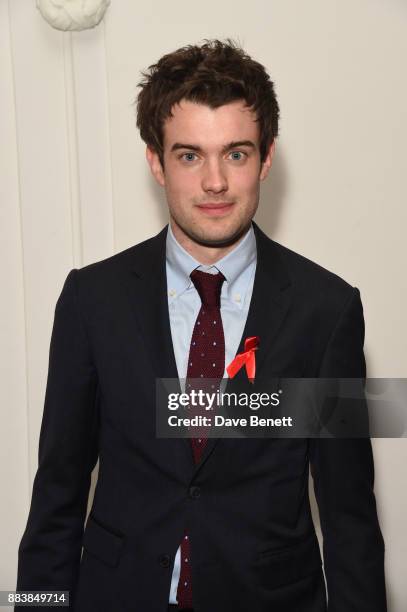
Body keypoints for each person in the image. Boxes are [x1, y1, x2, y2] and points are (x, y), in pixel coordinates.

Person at [16, 39, 387, 611]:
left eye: (235, 154)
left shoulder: (326, 310)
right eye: (190, 155)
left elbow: (349, 519)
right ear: (156, 163)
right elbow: (56, 497)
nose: (215, 182)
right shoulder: (92, 300)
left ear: (265, 159)